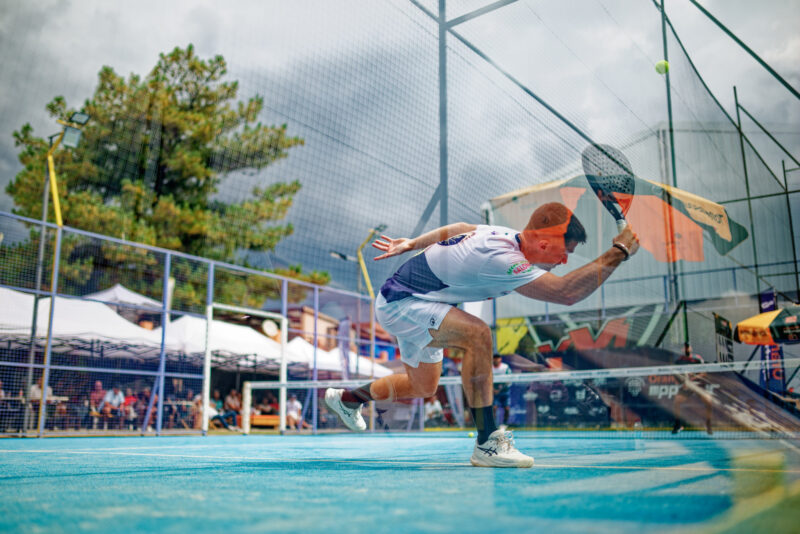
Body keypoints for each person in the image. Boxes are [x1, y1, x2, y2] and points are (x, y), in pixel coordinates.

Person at [324, 202, 639, 467]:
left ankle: (347, 400)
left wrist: (412, 244)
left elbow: (460, 227)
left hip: (418, 301)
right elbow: (566, 293)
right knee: (478, 335)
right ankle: (487, 442)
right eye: (564, 252)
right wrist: (619, 251)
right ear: (544, 244)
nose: (564, 261)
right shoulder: (501, 259)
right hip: (402, 304)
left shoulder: (502, 234)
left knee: (423, 386)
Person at [671, 343, 713, 435]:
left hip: (698, 386)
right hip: (687, 387)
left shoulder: (697, 359)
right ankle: (678, 424)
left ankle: (708, 424)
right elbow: (675, 374)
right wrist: (683, 382)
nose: (687, 349)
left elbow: (704, 373)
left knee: (709, 401)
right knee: (676, 401)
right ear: (682, 350)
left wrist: (693, 378)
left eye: (688, 347)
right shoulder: (679, 361)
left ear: (691, 348)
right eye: (685, 347)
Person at [492, 354, 513, 426]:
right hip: (494, 392)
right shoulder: (490, 368)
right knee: (494, 408)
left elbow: (509, 380)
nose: (496, 360)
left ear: (500, 359)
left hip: (505, 391)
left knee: (507, 408)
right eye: (494, 358)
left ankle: (504, 424)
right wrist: (493, 389)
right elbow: (487, 380)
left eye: (497, 358)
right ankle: (494, 425)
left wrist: (500, 389)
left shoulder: (505, 367)